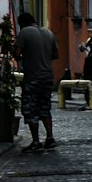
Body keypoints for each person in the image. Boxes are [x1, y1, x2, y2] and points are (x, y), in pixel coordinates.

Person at [14, 10, 59, 152]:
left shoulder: (24, 33)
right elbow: (55, 55)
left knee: (30, 109)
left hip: (33, 77)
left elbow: (17, 54)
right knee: (45, 108)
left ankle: (35, 141)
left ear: (22, 23)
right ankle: (50, 138)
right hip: (47, 77)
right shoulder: (49, 33)